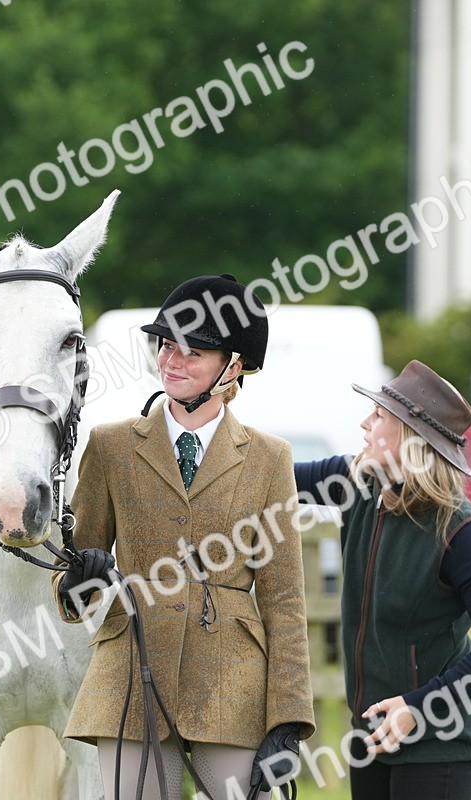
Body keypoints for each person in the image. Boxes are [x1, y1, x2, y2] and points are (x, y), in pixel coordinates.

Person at [53, 274, 315, 799]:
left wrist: (290, 719)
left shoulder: (269, 458)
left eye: (193, 352)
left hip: (234, 681)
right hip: (131, 671)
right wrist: (75, 580)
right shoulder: (110, 447)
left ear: (233, 367)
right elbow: (74, 584)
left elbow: (284, 599)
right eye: (166, 346)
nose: (172, 361)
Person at [293, 360, 471, 800]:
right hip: (373, 735)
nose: (364, 422)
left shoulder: (462, 532)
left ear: (410, 438)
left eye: (378, 416)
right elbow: (270, 475)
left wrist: (419, 709)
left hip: (440, 743)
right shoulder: (357, 484)